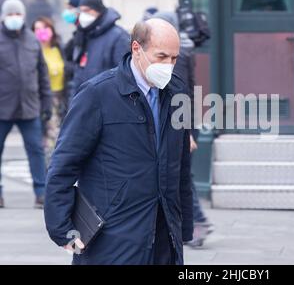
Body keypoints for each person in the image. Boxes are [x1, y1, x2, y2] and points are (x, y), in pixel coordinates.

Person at [44, 18, 194, 265]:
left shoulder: (178, 93)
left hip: (165, 235)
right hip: (112, 238)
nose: (168, 65)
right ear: (137, 49)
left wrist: (183, 225)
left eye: (174, 58)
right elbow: (63, 164)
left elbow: (181, 166)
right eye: (161, 56)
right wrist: (62, 228)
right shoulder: (97, 94)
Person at [152, 11, 214, 247]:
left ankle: (198, 222)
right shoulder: (185, 47)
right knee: (180, 174)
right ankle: (194, 223)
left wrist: (184, 131)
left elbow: (179, 95)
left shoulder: (176, 53)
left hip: (180, 121)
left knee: (180, 175)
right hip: (184, 120)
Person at [0, 0, 52, 209]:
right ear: (4, 16)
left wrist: (46, 103)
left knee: (36, 151)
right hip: (2, 107)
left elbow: (43, 75)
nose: (15, 18)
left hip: (29, 107)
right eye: (11, 14)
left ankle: (41, 193)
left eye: (18, 14)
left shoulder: (32, 40)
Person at [31, 17, 71, 163]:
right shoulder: (33, 50)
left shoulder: (59, 49)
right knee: (50, 134)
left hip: (61, 96)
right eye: (37, 29)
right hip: (43, 98)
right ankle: (50, 166)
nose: (41, 32)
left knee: (61, 133)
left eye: (44, 28)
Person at [71, 0, 129, 92]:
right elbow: (78, 73)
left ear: (98, 10)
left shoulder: (118, 36)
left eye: (87, 10)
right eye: (81, 11)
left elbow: (125, 76)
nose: (83, 15)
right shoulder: (84, 34)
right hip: (85, 100)